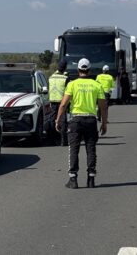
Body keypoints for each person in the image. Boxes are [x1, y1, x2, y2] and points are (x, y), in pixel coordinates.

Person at [55, 58, 107, 189]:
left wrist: (58, 120)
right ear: (89, 71)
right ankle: (91, 179)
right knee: (91, 149)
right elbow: (103, 107)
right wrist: (104, 123)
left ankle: (73, 179)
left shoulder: (72, 84)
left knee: (74, 149)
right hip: (91, 120)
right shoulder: (97, 85)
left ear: (78, 70)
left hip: (76, 120)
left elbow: (63, 105)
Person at [48, 61, 69, 145]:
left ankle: (52, 140)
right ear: (65, 68)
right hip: (62, 101)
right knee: (63, 120)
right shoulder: (65, 78)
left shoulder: (51, 77)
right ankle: (63, 141)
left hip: (52, 101)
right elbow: (68, 92)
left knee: (52, 120)